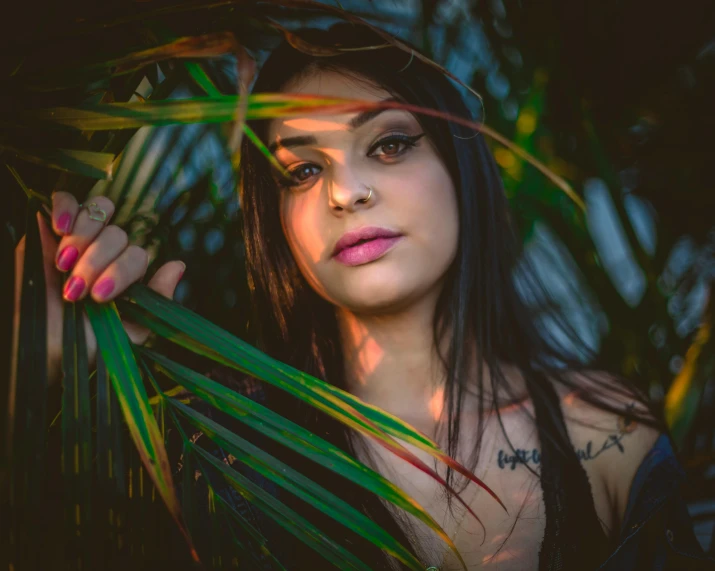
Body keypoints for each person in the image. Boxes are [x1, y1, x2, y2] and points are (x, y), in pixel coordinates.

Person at [15, 22, 711, 571]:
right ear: (273, 222)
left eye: (388, 145)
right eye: (302, 170)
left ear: (458, 165)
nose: (346, 193)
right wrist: (40, 375)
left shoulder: (606, 435)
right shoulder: (207, 445)